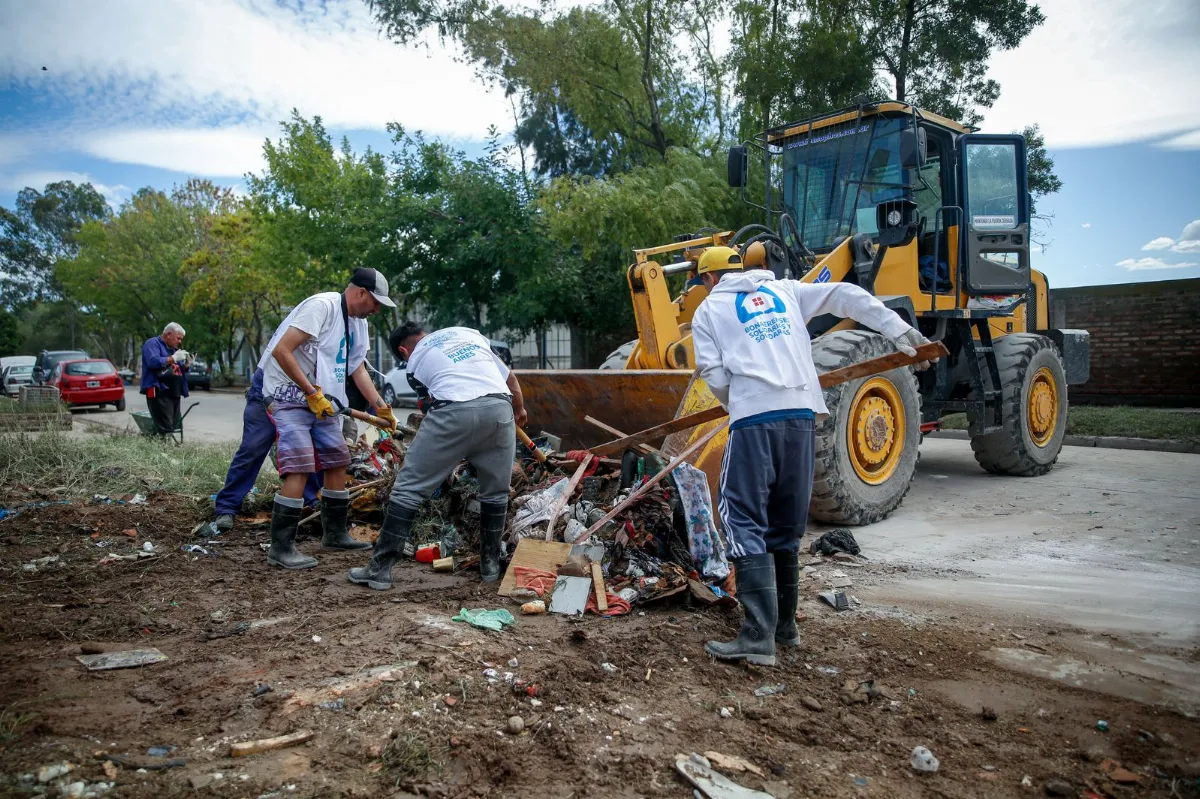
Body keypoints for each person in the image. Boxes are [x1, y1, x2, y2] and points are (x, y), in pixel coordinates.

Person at [691, 247, 933, 666]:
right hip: (803, 416)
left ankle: (757, 636)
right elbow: (847, 296)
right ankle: (785, 628)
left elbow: (712, 372)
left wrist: (743, 403)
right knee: (786, 521)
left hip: (754, 419)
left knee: (740, 515)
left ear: (708, 279)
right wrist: (900, 331)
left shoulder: (708, 311)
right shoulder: (785, 291)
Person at [347, 322, 528, 590]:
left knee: (407, 489)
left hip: (453, 412)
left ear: (403, 350)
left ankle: (379, 570)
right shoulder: (467, 334)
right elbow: (510, 379)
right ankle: (489, 568)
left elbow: (427, 405)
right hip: (500, 410)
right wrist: (520, 410)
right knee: (496, 494)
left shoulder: (414, 361)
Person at [261, 268, 399, 569]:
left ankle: (335, 534)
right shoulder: (321, 307)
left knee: (337, 459)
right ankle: (281, 548)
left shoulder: (358, 324)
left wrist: (380, 405)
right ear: (360, 293)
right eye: (375, 303)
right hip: (288, 395)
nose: (376, 310)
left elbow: (357, 368)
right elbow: (282, 351)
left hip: (325, 401)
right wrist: (310, 392)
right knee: (300, 463)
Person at [209, 368, 322, 532]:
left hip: (305, 395)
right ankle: (227, 507)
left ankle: (314, 502)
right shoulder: (286, 343)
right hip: (268, 391)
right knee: (252, 448)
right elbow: (281, 354)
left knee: (306, 450)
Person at [140, 322, 191, 437]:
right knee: (165, 426)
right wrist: (173, 358)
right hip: (159, 391)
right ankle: (163, 449)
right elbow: (153, 362)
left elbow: (175, 369)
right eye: (178, 338)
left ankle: (165, 448)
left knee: (173, 424)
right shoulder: (152, 344)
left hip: (174, 391)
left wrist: (186, 365)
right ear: (168, 334)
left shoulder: (173, 349)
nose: (179, 342)